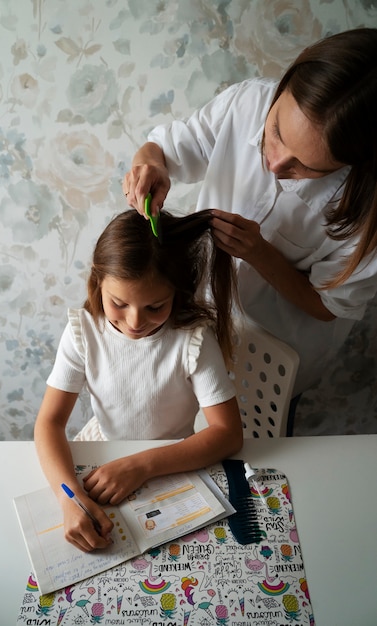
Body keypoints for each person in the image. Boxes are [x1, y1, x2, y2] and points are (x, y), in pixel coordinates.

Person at [123, 28, 377, 428]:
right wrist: (150, 163)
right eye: (275, 132)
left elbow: (329, 306)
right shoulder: (247, 103)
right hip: (198, 326)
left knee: (253, 450)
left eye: (306, 166)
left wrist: (260, 254)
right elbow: (166, 148)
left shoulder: (369, 209)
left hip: (272, 361)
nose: (275, 164)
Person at [34, 209, 243, 553]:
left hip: (174, 459)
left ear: (178, 293)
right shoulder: (82, 333)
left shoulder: (192, 340)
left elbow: (228, 433)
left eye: (155, 306)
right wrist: (68, 496)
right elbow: (49, 422)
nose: (134, 322)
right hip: (105, 449)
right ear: (98, 283)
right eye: (119, 303)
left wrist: (142, 464)